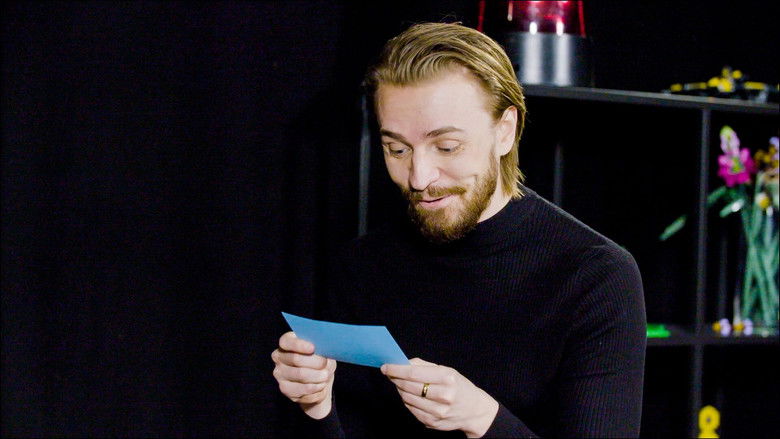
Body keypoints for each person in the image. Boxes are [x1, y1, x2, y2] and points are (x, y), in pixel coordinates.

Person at [271, 22, 646, 438]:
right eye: (397, 149)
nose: (419, 177)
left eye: (447, 147)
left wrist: (483, 419)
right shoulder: (361, 266)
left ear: (505, 131)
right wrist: (317, 407)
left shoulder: (596, 275)